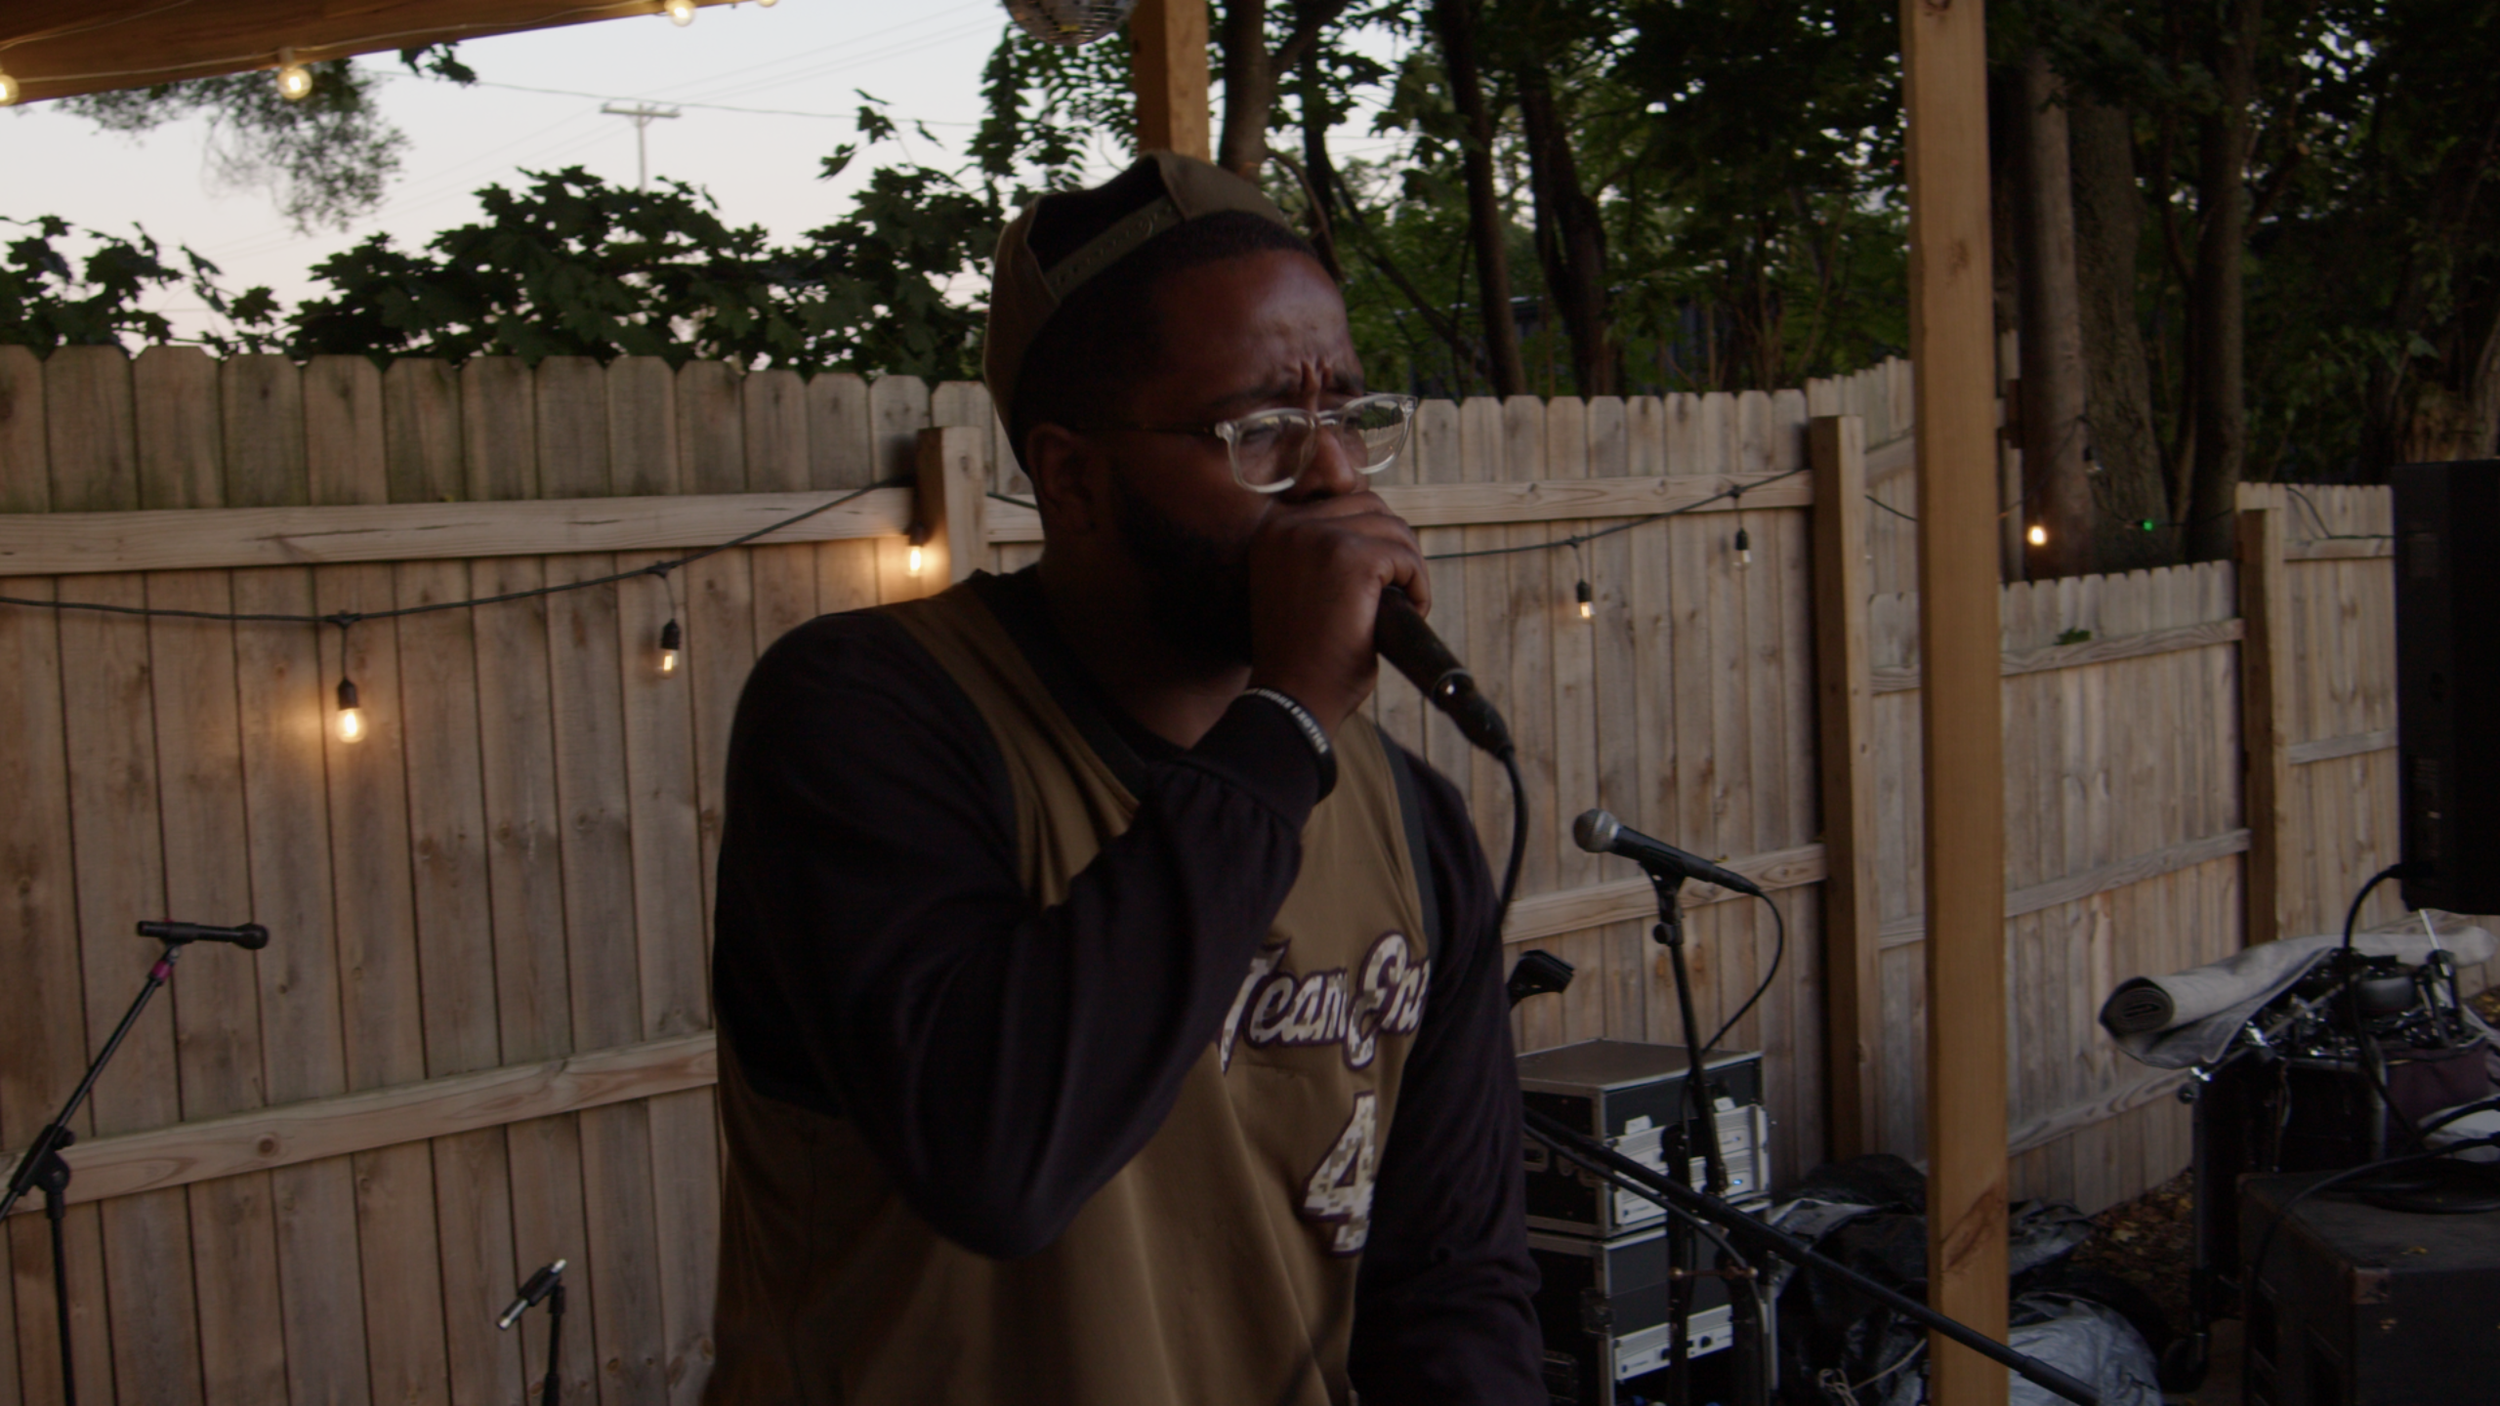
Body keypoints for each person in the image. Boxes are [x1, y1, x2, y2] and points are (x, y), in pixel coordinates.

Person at [705, 152, 1542, 1406]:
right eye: (1257, 429)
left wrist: (1295, 734)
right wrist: (1290, 719)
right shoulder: (862, 714)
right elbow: (998, 1157)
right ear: (1074, 474)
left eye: (1348, 414)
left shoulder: (1407, 819)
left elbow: (1450, 1276)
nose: (1334, 478)